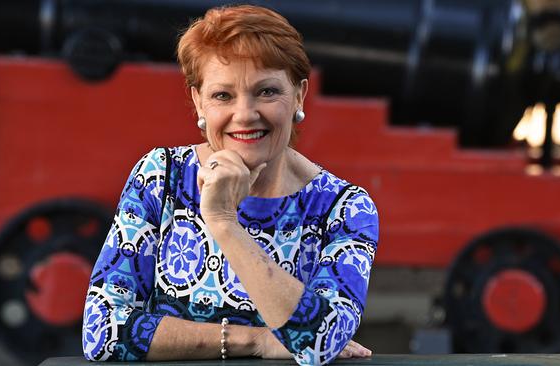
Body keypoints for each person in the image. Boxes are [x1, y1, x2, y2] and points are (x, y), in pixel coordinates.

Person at [82, 4, 379, 365]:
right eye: (223, 95)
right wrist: (253, 340)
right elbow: (102, 331)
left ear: (299, 95)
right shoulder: (160, 176)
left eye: (266, 92)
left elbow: (319, 342)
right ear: (198, 102)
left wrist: (224, 223)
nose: (245, 114)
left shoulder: (344, 208)